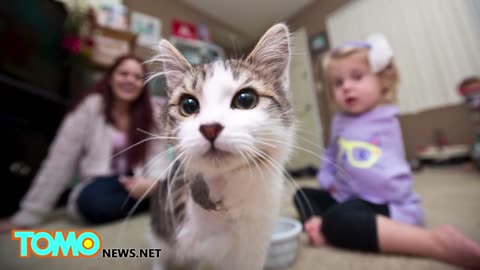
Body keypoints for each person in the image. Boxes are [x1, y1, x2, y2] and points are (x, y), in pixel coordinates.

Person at [293, 34, 480, 269]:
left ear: (382, 81)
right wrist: (326, 178)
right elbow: (331, 153)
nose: (347, 86)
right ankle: (321, 225)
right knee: (302, 195)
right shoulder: (339, 121)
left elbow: (390, 173)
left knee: (339, 219)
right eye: (338, 83)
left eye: (357, 77)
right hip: (345, 195)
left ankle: (435, 242)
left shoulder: (385, 115)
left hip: (384, 201)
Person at [0, 54, 168, 231]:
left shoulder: (150, 113)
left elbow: (158, 157)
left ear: (143, 85)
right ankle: (147, 205)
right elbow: (59, 162)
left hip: (140, 180)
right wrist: (28, 215)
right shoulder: (89, 108)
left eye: (137, 77)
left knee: (174, 187)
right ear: (110, 78)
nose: (129, 80)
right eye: (123, 74)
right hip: (102, 184)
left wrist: (152, 184)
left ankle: (149, 200)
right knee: (93, 202)